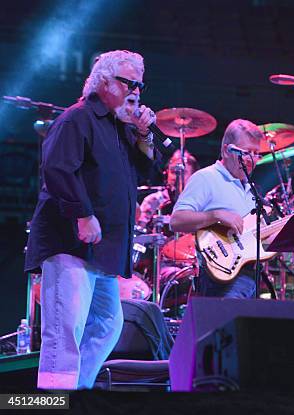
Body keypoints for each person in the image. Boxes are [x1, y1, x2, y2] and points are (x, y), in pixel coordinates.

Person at [24, 50, 160, 389]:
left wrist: (144, 135)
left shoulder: (121, 127)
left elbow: (143, 171)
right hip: (71, 240)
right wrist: (83, 215)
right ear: (103, 81)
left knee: (107, 325)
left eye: (140, 84)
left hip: (105, 249)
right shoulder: (77, 118)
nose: (137, 91)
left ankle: (77, 390)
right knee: (66, 327)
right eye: (129, 82)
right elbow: (56, 169)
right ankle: (54, 400)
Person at [170, 119, 264, 298]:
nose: (252, 159)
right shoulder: (206, 178)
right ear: (226, 150)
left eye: (256, 153)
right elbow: (176, 221)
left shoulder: (251, 189)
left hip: (248, 276)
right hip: (219, 279)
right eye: (246, 152)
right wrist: (215, 215)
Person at [136, 149, 200, 231]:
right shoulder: (153, 200)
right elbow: (140, 231)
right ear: (166, 173)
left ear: (193, 176)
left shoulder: (200, 201)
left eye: (183, 172)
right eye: (173, 172)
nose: (177, 176)